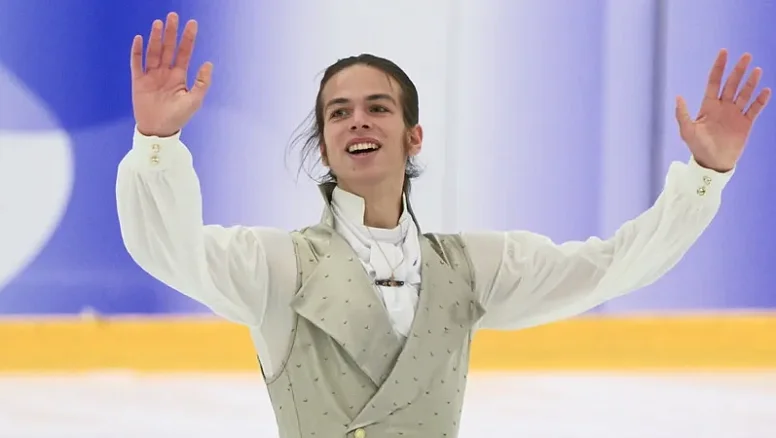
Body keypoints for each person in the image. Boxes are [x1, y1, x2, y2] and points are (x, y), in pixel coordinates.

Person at [116, 12, 770, 438]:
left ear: (414, 137)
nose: (358, 120)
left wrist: (705, 175)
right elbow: (170, 252)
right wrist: (157, 144)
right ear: (324, 146)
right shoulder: (278, 267)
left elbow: (612, 268)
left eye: (378, 107)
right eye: (338, 113)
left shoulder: (470, 268)